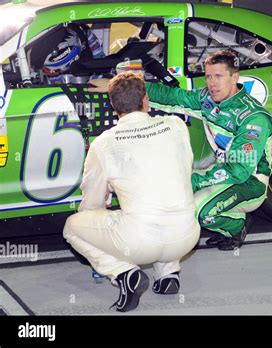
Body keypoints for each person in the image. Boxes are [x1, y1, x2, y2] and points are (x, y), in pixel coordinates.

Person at [92, 51, 272, 251]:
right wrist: (118, 85)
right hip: (222, 172)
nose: (212, 83)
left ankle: (236, 226)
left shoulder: (254, 118)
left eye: (219, 76)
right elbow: (172, 97)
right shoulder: (207, 98)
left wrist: (193, 181)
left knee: (198, 211)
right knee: (173, 193)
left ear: (234, 77)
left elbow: (240, 170)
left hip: (250, 181)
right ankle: (226, 217)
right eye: (208, 76)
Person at [64, 72, 200, 312]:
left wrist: (99, 234)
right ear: (146, 100)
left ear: (113, 105)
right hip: (187, 237)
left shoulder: (103, 143)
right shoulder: (176, 125)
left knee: (72, 227)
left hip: (140, 242)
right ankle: (168, 275)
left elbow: (93, 203)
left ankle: (125, 274)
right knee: (164, 194)